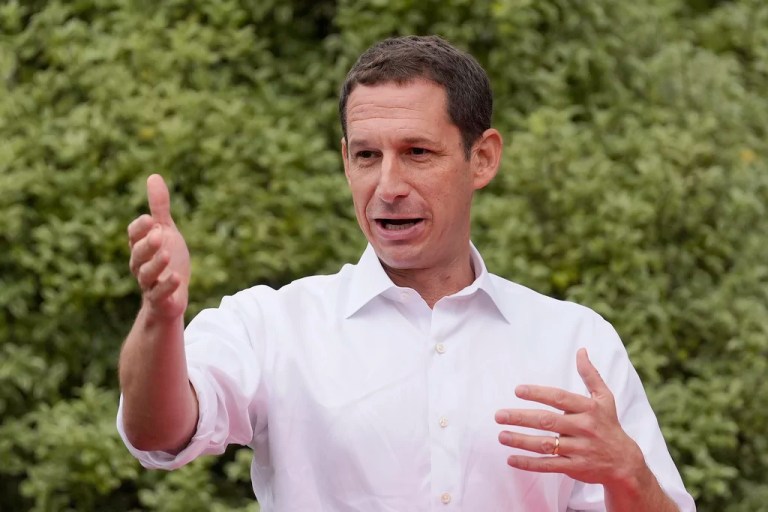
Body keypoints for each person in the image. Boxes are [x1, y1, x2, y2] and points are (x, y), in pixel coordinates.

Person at [118, 35, 696, 511]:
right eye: (367, 156)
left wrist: (629, 476)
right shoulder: (274, 325)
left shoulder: (575, 342)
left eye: (417, 152)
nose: (388, 188)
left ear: (483, 158)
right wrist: (160, 319)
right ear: (346, 159)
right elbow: (158, 433)